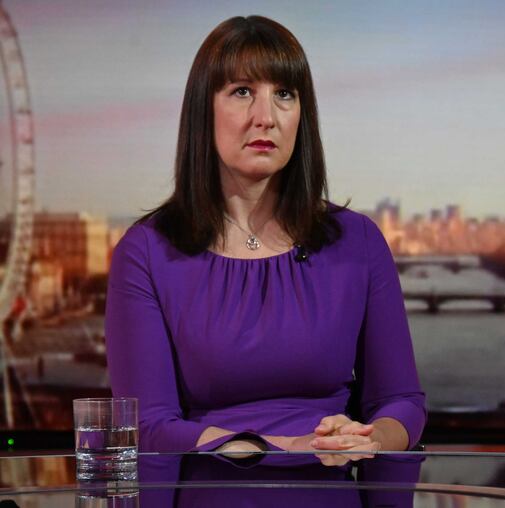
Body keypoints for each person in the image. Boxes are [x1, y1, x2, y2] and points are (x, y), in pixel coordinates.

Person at [105, 15, 426, 457]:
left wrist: (367, 439)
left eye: (284, 94)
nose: (266, 117)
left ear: (302, 115)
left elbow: (401, 403)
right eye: (242, 92)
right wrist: (282, 448)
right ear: (204, 109)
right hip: (208, 491)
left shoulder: (358, 241)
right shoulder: (146, 252)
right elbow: (149, 426)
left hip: (330, 487)